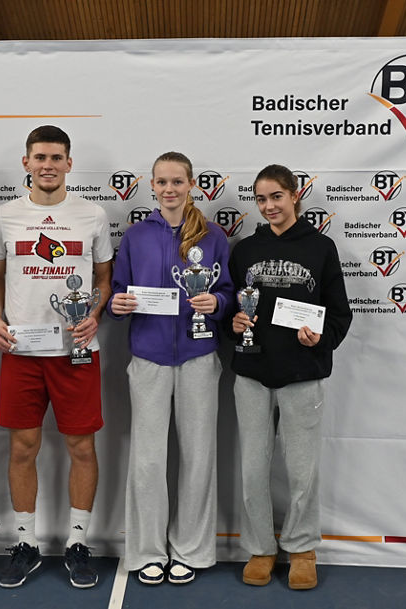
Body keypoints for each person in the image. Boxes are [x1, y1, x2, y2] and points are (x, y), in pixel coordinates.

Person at [0, 125, 113, 589]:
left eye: (56, 157)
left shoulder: (93, 216)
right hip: (22, 351)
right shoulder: (3, 217)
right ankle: (26, 544)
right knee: (23, 447)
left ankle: (78, 542)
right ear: (26, 163)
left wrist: (94, 312)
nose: (48, 165)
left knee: (82, 446)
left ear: (69, 164)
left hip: (77, 351)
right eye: (40, 157)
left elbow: (103, 277)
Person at [109, 152, 232, 585]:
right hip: (148, 356)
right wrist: (117, 304)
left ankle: (192, 550)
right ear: (153, 186)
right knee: (147, 459)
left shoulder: (213, 236)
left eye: (177, 181)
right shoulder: (136, 236)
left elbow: (229, 293)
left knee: (199, 455)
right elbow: (118, 293)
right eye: (161, 182)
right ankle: (146, 549)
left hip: (199, 355)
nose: (169, 189)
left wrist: (216, 303)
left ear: (191, 184)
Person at [227, 164, 352, 591]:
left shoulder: (321, 247)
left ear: (295, 195)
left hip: (303, 371)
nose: (269, 206)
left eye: (276, 197)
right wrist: (235, 322)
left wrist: (320, 338)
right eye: (261, 199)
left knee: (303, 470)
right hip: (252, 372)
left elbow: (340, 314)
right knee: (253, 467)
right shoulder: (243, 249)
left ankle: (301, 548)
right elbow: (231, 309)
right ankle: (261, 547)